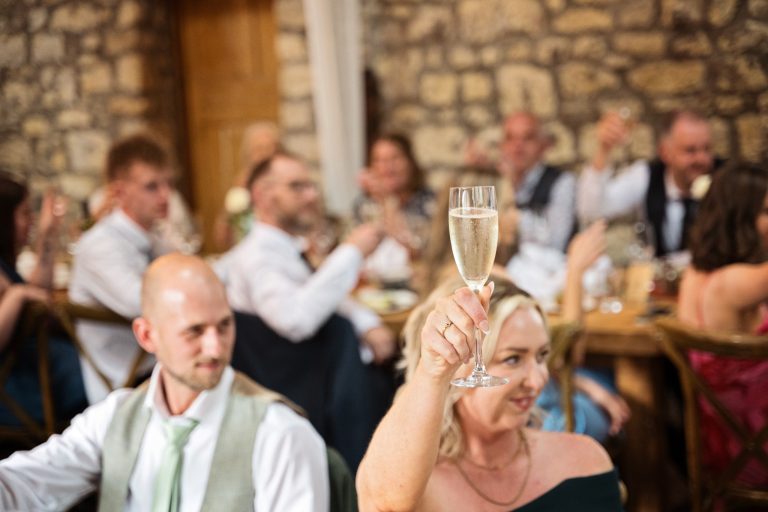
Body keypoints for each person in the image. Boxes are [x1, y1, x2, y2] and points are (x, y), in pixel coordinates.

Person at [0, 253, 329, 511]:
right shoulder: (114, 417)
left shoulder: (282, 435)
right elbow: (23, 486)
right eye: (194, 331)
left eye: (225, 326)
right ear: (146, 335)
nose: (216, 347)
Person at [356, 273, 623, 511]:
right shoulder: (419, 488)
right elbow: (384, 503)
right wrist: (433, 371)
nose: (537, 380)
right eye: (512, 359)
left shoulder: (584, 461)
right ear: (456, 365)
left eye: (541, 356)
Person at [226, 152, 397, 364]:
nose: (312, 196)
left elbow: (317, 293)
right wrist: (352, 251)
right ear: (262, 196)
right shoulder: (257, 256)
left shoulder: (286, 247)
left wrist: (366, 323)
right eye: (297, 186)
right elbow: (295, 321)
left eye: (311, 186)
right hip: (303, 382)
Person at [676, 162, 768, 487]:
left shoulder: (694, 273)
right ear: (741, 217)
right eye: (766, 211)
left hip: (717, 444)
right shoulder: (740, 281)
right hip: (753, 446)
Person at [69, 133, 174, 403]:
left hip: (158, 364)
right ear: (119, 191)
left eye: (167, 184)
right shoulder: (99, 245)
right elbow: (140, 303)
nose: (165, 196)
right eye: (152, 187)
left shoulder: (152, 238)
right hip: (125, 379)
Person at [0, 172, 87, 427]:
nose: (31, 220)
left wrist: (47, 237)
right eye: (25, 213)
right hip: (14, 387)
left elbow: (38, 294)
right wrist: (17, 295)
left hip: (33, 370)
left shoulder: (5, 263)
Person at [578, 110, 718, 257]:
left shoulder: (725, 179)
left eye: (707, 149)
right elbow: (591, 211)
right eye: (690, 151)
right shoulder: (647, 175)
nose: (702, 159)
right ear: (665, 152)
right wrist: (603, 150)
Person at [468, 112, 577, 252]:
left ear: (543, 145)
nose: (518, 146)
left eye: (528, 138)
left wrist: (515, 217)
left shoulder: (562, 182)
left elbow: (556, 240)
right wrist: (473, 174)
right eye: (510, 138)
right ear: (502, 145)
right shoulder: (492, 180)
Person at [353, 133, 435, 258]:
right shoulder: (364, 204)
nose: (386, 167)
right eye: (379, 160)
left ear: (410, 162)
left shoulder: (430, 203)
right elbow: (354, 251)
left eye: (394, 158)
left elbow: (418, 253)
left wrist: (388, 201)